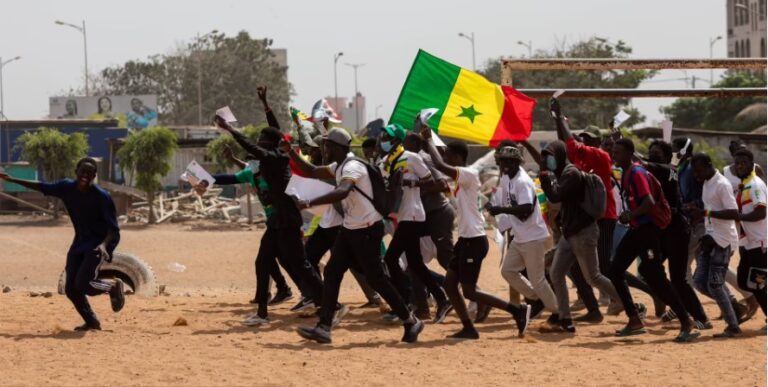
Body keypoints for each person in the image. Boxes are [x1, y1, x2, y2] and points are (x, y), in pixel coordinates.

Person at [293, 128, 424, 344]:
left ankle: (411, 321)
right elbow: (312, 171)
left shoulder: (352, 167)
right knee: (334, 272)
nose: (324, 149)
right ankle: (324, 327)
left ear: (336, 147)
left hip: (366, 229)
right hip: (351, 228)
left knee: (376, 279)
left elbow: (343, 190)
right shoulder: (339, 165)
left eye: (326, 145)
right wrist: (290, 151)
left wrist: (307, 203)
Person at [214, 88, 324, 326]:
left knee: (301, 266)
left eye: (263, 141)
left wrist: (230, 129)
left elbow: (259, 145)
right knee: (263, 261)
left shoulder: (275, 159)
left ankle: (331, 305)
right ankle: (262, 313)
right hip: (277, 222)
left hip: (287, 219)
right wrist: (265, 104)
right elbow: (274, 132)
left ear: (269, 144)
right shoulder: (273, 156)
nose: (259, 143)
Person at [420, 125, 531, 340]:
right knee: (450, 285)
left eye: (450, 155)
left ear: (458, 156)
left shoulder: (469, 174)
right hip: (465, 240)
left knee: (469, 291)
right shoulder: (461, 180)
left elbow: (441, 166)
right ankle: (468, 327)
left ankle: (517, 310)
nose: (447, 158)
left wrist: (429, 142)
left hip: (475, 241)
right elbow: (442, 170)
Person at [0, 158, 125, 331]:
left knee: (83, 283)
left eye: (90, 173)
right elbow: (42, 186)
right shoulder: (66, 187)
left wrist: (104, 246)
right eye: (83, 171)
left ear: (94, 176)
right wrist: (12, 179)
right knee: (70, 289)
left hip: (97, 244)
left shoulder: (102, 197)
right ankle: (91, 321)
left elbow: (113, 229)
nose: (85, 176)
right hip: (79, 242)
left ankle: (111, 286)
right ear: (76, 171)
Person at [608, 139, 698, 341]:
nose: (615, 156)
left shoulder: (637, 173)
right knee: (615, 270)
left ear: (630, 154)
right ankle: (634, 318)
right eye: (613, 152)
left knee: (655, 276)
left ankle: (686, 320)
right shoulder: (627, 173)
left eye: (619, 152)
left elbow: (648, 202)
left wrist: (630, 215)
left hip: (647, 231)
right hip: (638, 229)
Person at [194, 145, 295, 306]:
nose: (250, 163)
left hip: (286, 220)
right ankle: (285, 291)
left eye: (253, 160)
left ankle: (294, 292)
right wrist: (205, 179)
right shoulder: (250, 173)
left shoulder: (274, 172)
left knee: (277, 259)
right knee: (276, 258)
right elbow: (229, 178)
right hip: (274, 221)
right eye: (248, 160)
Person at [538, 139, 620, 333]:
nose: (547, 162)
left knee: (593, 277)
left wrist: (544, 179)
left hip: (583, 233)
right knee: (556, 273)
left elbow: (555, 196)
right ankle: (565, 320)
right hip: (570, 233)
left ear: (558, 155)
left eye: (548, 157)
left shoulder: (571, 173)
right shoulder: (562, 173)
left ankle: (626, 302)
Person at [384, 132, 452, 323]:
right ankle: (440, 299)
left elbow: (434, 182)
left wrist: (409, 183)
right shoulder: (388, 161)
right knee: (414, 263)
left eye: (386, 138)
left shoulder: (414, 158)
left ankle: (406, 301)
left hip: (415, 214)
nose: (383, 142)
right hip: (403, 215)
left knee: (392, 259)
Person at [644, 140, 710, 328]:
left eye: (658, 152)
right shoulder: (662, 171)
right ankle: (681, 309)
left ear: (667, 157)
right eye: (651, 151)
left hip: (677, 231)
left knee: (678, 278)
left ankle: (699, 317)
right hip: (662, 232)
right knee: (649, 270)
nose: (653, 154)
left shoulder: (668, 170)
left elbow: (642, 162)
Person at [487, 146, 557, 319]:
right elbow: (505, 201)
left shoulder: (522, 181)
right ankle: (536, 300)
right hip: (520, 236)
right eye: (503, 161)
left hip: (533, 237)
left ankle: (559, 313)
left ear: (518, 162)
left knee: (538, 280)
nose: (506, 164)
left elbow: (526, 209)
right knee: (508, 271)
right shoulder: (505, 178)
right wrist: (496, 210)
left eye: (511, 161)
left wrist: (500, 209)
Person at [687, 153, 742, 338]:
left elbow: (734, 212)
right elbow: (710, 211)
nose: (696, 174)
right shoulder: (706, 183)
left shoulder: (722, 185)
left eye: (699, 170)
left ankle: (733, 325)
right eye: (694, 171)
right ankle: (733, 308)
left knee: (715, 284)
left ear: (709, 165)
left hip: (723, 240)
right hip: (709, 238)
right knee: (700, 283)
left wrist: (705, 212)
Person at [731, 148, 767, 322]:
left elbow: (761, 213)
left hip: (761, 242)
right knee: (744, 281)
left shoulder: (755, 185)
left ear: (752, 165)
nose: (739, 166)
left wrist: (738, 216)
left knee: (757, 284)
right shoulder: (744, 185)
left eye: (743, 163)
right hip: (748, 242)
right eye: (737, 163)